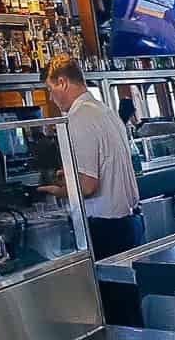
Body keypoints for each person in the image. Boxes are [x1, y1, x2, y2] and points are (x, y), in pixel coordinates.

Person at [42, 56, 141, 258]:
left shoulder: (78, 118)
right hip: (129, 222)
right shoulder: (104, 110)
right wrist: (69, 175)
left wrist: (58, 191)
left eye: (50, 90)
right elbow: (103, 164)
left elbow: (87, 186)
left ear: (62, 82)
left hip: (106, 229)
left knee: (110, 289)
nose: (51, 98)